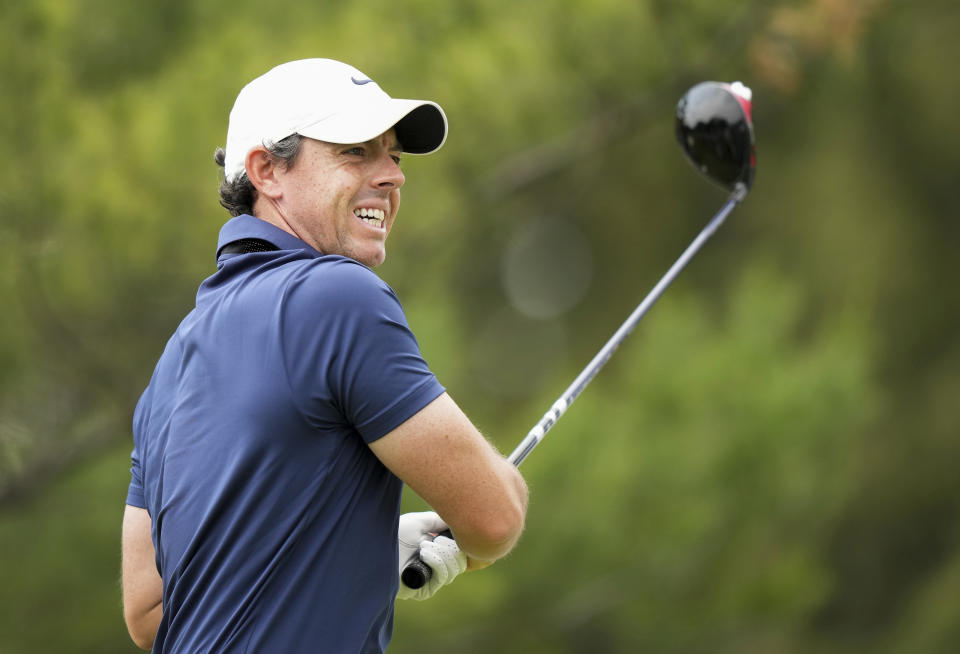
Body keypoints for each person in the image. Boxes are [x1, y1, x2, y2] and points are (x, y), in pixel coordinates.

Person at [121, 58, 528, 653]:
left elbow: (150, 611)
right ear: (267, 171)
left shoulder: (171, 366)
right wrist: (491, 510)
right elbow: (495, 519)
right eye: (357, 151)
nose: (393, 176)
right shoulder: (338, 296)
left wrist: (350, 550)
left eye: (393, 155)